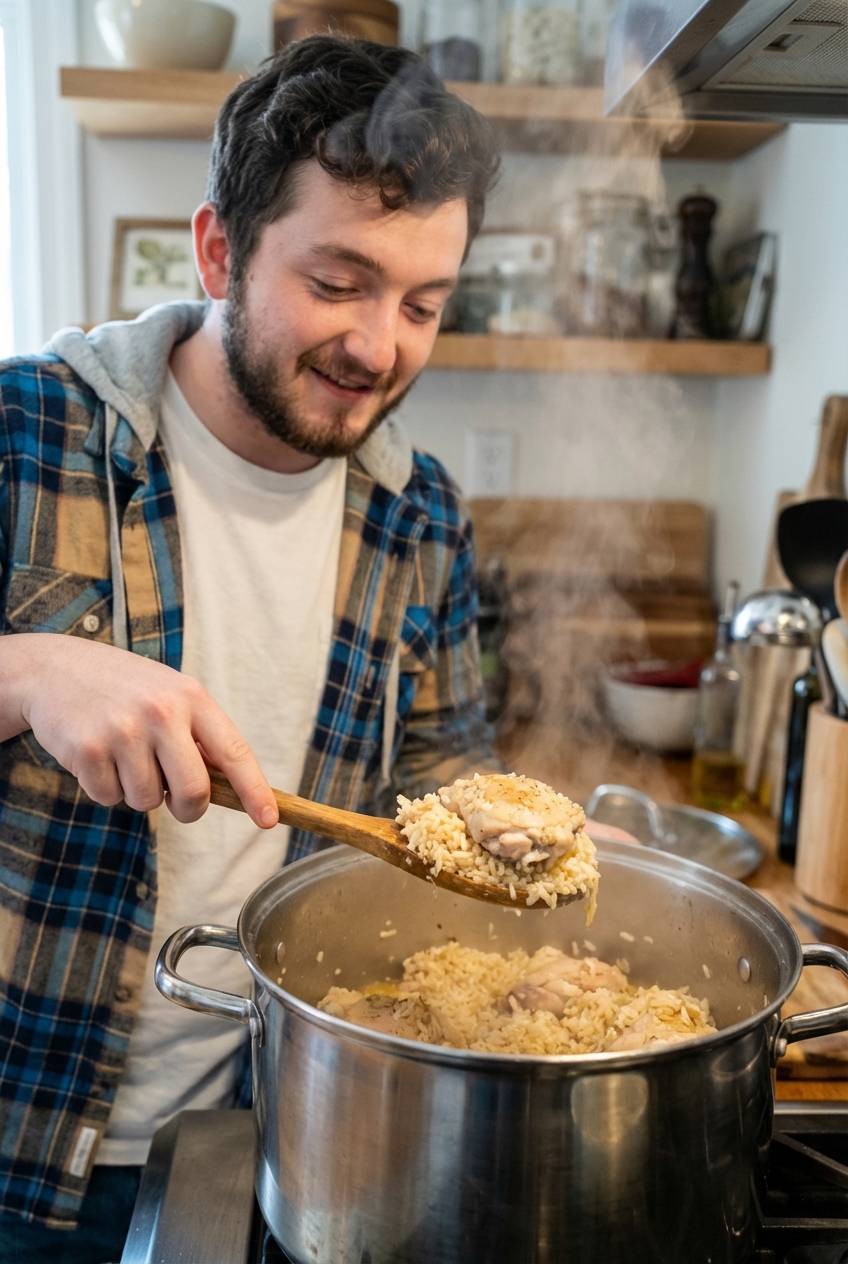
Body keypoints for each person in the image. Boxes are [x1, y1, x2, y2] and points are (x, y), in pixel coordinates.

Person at [0, 36, 500, 1262]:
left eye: (423, 304)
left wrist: (520, 830)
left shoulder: (419, 510)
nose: (380, 348)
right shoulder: (27, 430)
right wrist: (24, 671)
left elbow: (441, 792)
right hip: (26, 1143)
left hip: (285, 1133)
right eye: (338, 282)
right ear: (219, 248)